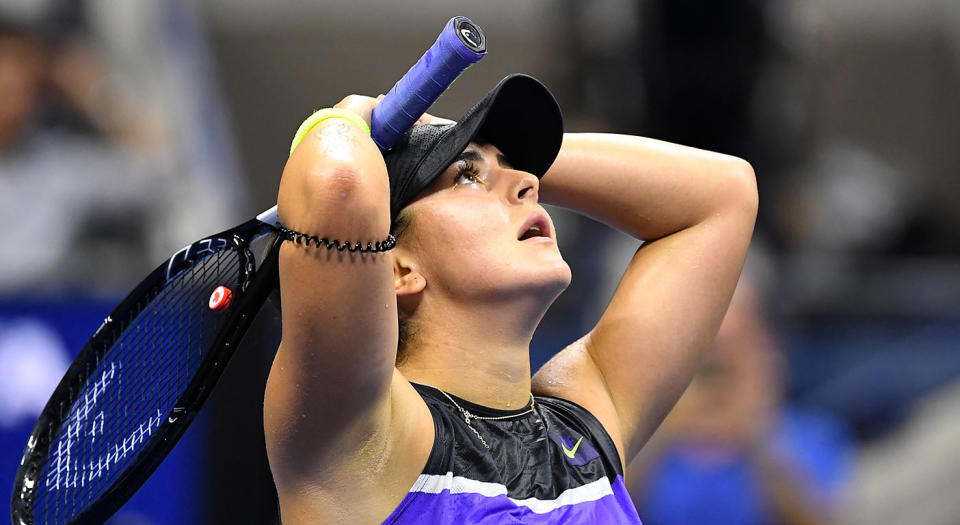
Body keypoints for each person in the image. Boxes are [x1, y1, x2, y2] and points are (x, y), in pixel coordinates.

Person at [263, 74, 757, 523]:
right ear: (398, 268)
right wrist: (348, 116)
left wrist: (463, 143)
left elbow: (723, 193)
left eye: (518, 169)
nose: (529, 183)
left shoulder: (583, 426)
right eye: (466, 177)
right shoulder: (364, 435)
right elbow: (337, 185)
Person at [626, 274, 852, 525]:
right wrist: (660, 427)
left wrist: (759, 431)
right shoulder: (639, 436)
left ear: (762, 342)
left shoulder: (809, 434)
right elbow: (600, 513)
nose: (715, 354)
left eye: (730, 340)